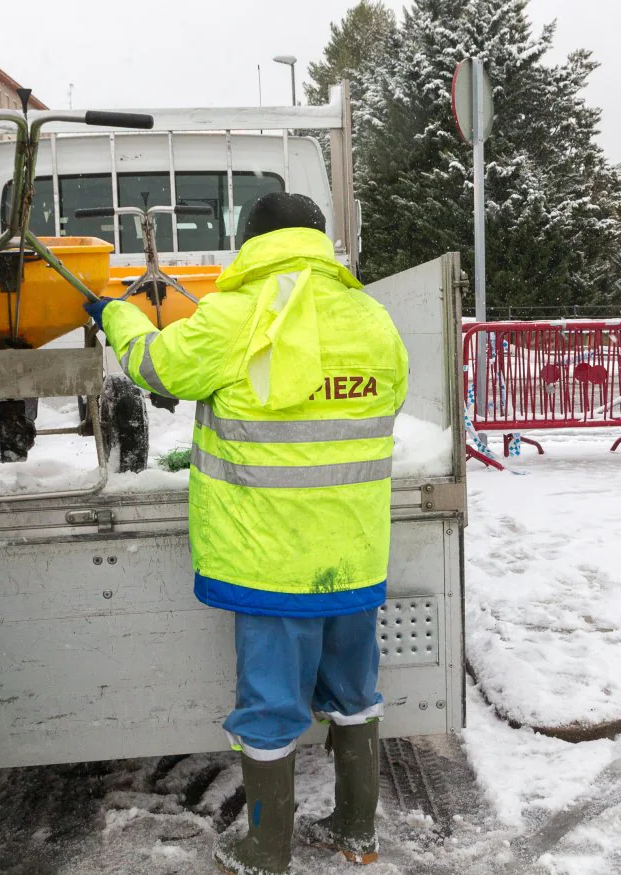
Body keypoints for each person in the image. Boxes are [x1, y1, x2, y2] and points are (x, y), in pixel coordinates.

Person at [85, 192, 408, 873]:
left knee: (269, 709)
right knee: (356, 695)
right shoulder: (371, 315)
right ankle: (357, 831)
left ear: (250, 241)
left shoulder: (239, 315)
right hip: (350, 555)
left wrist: (115, 313)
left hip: (270, 559)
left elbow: (156, 367)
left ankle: (266, 846)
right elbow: (390, 394)